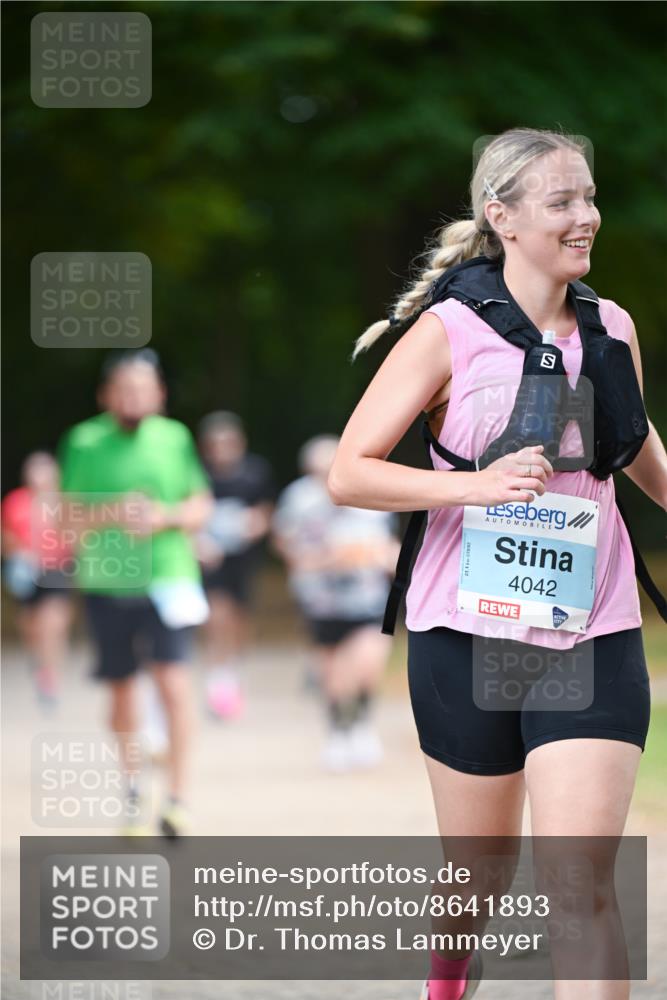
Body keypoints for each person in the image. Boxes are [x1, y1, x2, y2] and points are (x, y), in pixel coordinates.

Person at [327, 127, 666, 1000]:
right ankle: (450, 971)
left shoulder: (610, 327)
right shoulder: (448, 332)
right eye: (562, 202)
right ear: (501, 217)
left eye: (589, 197)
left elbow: (638, 456)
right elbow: (350, 471)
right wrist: (470, 489)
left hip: (590, 627)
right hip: (464, 637)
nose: (586, 217)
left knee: (578, 887)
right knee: (476, 875)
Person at [58, 349, 212, 837]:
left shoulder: (175, 438)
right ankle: (132, 791)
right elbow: (64, 520)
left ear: (160, 394)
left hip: (169, 578)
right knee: (122, 689)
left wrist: (164, 518)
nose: (134, 399)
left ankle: (178, 798)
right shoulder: (83, 442)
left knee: (174, 683)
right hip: (107, 581)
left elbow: (199, 506)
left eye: (143, 390)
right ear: (106, 395)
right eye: (124, 390)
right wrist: (114, 514)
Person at [273, 435, 399, 771]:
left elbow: (389, 543)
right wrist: (321, 559)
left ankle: (362, 725)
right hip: (322, 599)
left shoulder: (368, 495)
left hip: (368, 595)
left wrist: (387, 558)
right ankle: (337, 732)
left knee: (368, 664)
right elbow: (287, 545)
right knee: (333, 672)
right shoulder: (299, 499)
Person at [196, 411, 274, 719]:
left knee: (239, 618)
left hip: (243, 559)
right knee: (216, 616)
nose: (223, 449)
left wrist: (256, 523)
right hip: (210, 559)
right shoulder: (198, 474)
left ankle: (233, 668)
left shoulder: (254, 472)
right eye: (216, 443)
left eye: (228, 442)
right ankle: (218, 679)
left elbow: (267, 510)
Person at [1, 451, 74, 706]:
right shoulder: (15, 502)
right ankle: (40, 663)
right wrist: (18, 551)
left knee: (53, 624)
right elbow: (5, 536)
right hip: (26, 571)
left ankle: (50, 676)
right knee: (31, 627)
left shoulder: (65, 502)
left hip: (56, 569)